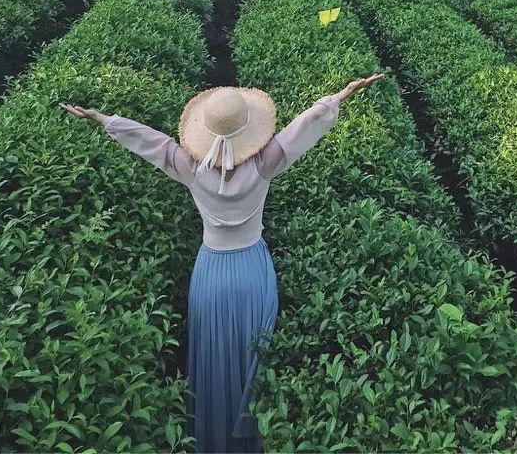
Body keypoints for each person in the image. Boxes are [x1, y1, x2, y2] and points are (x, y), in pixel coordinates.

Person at [60, 73, 384, 453]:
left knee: (213, 361)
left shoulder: (191, 169)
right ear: (249, 130)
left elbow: (151, 143)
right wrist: (340, 96)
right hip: (251, 271)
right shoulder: (264, 164)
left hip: (211, 274)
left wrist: (102, 119)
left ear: (206, 132)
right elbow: (302, 128)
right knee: (254, 359)